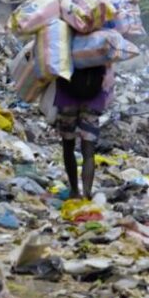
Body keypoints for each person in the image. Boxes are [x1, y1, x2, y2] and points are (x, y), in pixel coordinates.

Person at [55, 63, 114, 200]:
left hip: (67, 95)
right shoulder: (99, 50)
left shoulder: (68, 48)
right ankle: (87, 194)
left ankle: (74, 191)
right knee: (88, 151)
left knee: (68, 146)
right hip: (93, 98)